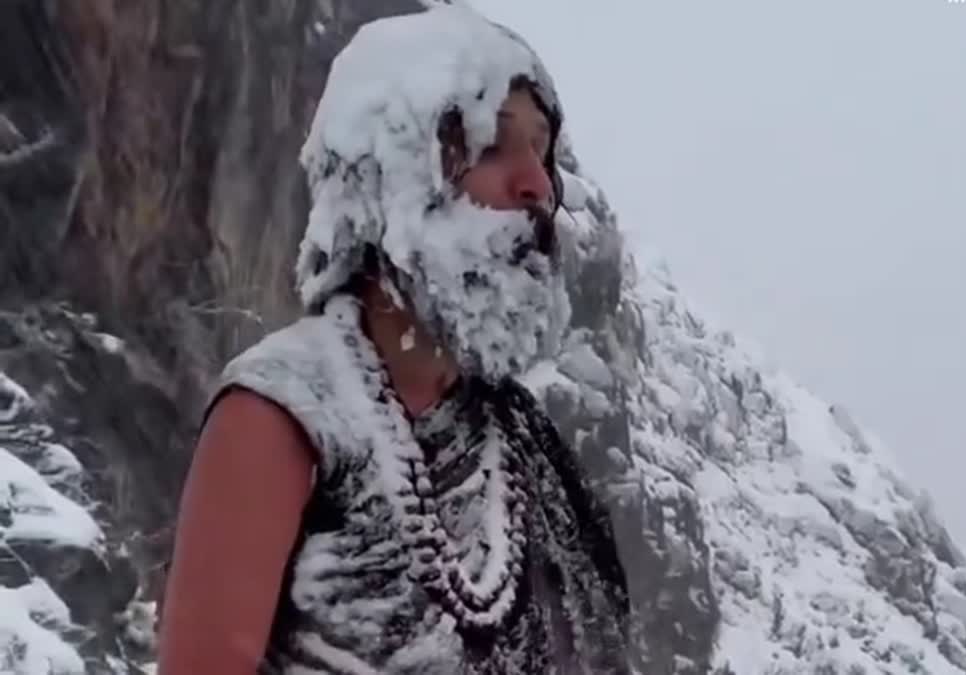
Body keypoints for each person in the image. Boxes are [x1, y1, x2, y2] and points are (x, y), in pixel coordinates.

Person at [156, 5, 631, 673]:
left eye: (543, 149)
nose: (539, 185)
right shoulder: (283, 415)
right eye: (492, 145)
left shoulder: (522, 447)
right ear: (394, 172)